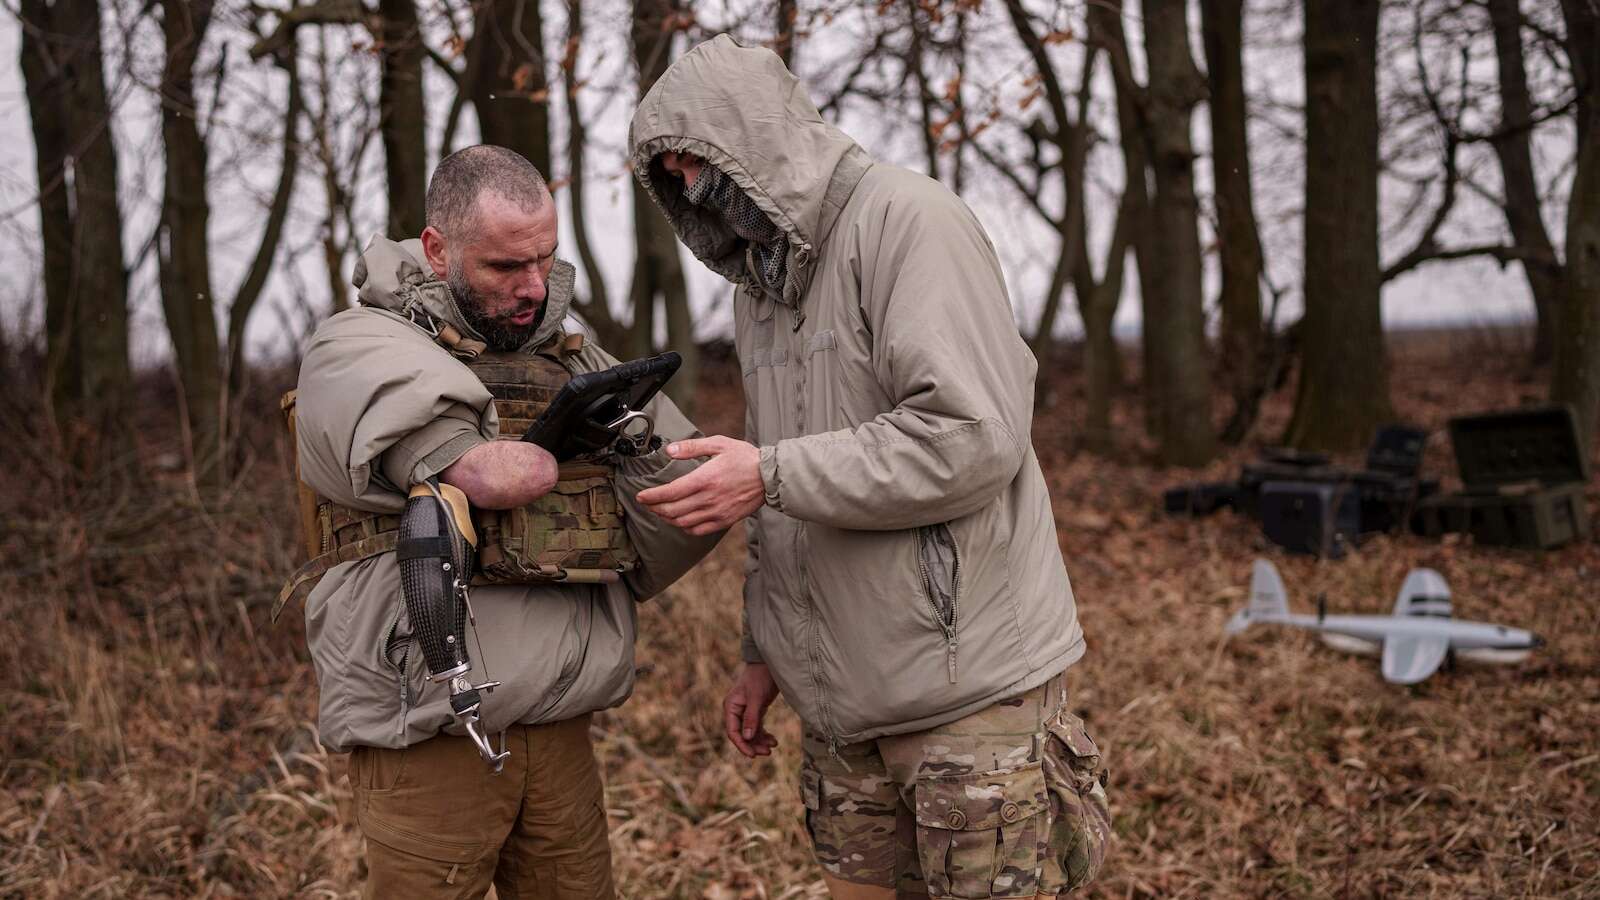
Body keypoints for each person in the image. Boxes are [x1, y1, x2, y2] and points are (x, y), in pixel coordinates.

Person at [627, 36, 1112, 899]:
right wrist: (762, 652)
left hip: (967, 706)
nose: (691, 189)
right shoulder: (759, 289)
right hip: (840, 715)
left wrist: (768, 474)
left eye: (695, 163)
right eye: (671, 173)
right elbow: (776, 481)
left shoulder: (909, 222)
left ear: (751, 143)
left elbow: (972, 436)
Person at [287, 145, 722, 899]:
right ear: (436, 249)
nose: (532, 288)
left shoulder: (568, 350)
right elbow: (488, 470)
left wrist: (634, 445)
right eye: (503, 268)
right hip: (429, 731)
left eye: (546, 261)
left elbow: (686, 510)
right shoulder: (355, 345)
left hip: (561, 727)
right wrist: (547, 452)